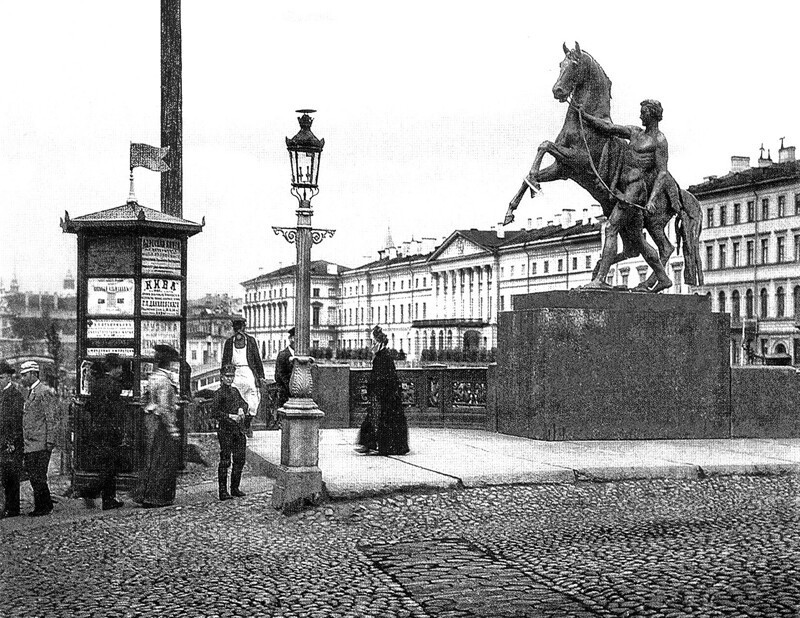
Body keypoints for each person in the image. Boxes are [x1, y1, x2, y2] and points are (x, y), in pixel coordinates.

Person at [575, 99, 676, 293]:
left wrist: (653, 199)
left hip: (636, 190)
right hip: (626, 187)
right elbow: (609, 128)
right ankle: (663, 278)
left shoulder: (660, 140)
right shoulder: (635, 132)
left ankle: (600, 279)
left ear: (653, 114)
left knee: (611, 228)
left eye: (644, 112)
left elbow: (662, 172)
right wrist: (584, 116)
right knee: (637, 239)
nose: (640, 115)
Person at [132, 344, 180, 508]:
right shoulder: (165, 381)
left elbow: (145, 400)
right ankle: (157, 496)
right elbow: (165, 407)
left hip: (150, 419)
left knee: (150, 458)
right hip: (161, 423)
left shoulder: (152, 377)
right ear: (169, 363)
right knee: (162, 460)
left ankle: (143, 494)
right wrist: (172, 429)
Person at [356, 325, 409, 456]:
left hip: (386, 396)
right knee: (374, 418)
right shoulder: (381, 357)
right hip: (382, 394)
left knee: (381, 419)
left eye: (373, 343)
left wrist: (376, 391)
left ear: (379, 343)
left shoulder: (384, 358)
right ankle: (369, 444)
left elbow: (385, 379)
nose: (371, 346)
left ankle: (378, 445)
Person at [83, 353, 125, 510]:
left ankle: (109, 500)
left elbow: (91, 406)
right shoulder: (114, 385)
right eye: (120, 367)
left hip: (98, 428)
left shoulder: (97, 384)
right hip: (110, 430)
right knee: (110, 467)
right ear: (114, 368)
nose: (121, 370)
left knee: (108, 465)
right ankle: (89, 490)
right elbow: (115, 411)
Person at [20, 360, 58, 516]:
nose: (22, 378)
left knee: (38, 475)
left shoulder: (43, 392)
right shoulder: (31, 392)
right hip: (32, 442)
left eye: (25, 375)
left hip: (40, 442)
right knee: (35, 476)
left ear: (34, 374)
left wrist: (50, 441)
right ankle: (45, 504)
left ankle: (43, 507)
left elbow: (51, 418)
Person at [210, 364, 249, 500]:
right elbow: (214, 412)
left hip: (237, 430)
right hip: (225, 430)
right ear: (222, 377)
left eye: (232, 376)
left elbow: (244, 403)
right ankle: (222, 491)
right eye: (227, 376)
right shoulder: (218, 394)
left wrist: (241, 409)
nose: (229, 379)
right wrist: (228, 416)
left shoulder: (235, 391)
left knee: (240, 459)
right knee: (225, 460)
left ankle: (234, 488)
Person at [221, 317, 264, 431]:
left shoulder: (250, 341)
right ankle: (238, 426)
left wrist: (260, 376)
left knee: (253, 400)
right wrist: (224, 377)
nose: (239, 331)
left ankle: (247, 424)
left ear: (244, 328)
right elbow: (225, 361)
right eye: (236, 329)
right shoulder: (229, 343)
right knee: (235, 400)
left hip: (249, 372)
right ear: (234, 329)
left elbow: (257, 359)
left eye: (241, 328)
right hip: (234, 374)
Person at [0, 361, 24, 518]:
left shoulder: (15, 395)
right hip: (3, 440)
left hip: (11, 442)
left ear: (8, 377)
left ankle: (13, 508)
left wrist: (11, 441)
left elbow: (16, 421)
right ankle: (7, 506)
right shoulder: (3, 394)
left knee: (11, 476)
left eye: (1, 377)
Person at [273, 326, 295, 416]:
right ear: (291, 339)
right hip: (285, 394)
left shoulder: (302, 356)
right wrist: (290, 387)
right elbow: (279, 375)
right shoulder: (283, 355)